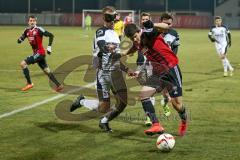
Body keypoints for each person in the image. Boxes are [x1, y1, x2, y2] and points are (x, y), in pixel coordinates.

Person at [70, 6, 131, 132]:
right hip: (104, 74)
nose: (112, 22)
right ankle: (81, 102)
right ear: (105, 19)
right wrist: (108, 48)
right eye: (110, 19)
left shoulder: (114, 34)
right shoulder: (101, 32)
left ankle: (104, 121)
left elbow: (115, 57)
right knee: (104, 107)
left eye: (113, 19)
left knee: (123, 102)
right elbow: (102, 46)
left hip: (116, 72)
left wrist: (126, 69)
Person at [124, 22, 187, 136]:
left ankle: (183, 119)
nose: (135, 40)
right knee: (144, 95)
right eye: (132, 38)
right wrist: (125, 53)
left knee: (176, 104)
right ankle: (156, 125)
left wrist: (153, 24)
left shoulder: (148, 34)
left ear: (139, 31)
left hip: (171, 69)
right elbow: (135, 47)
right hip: (158, 72)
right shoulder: (137, 42)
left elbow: (166, 27)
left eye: (135, 37)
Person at [17, 15, 63, 92]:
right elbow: (21, 39)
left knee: (23, 64)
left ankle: (29, 83)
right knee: (47, 71)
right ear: (28, 22)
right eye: (30, 21)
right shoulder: (26, 31)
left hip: (40, 53)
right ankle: (59, 85)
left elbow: (51, 35)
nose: (32, 22)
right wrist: (20, 39)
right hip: (37, 54)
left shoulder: (39, 29)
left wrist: (49, 47)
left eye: (33, 21)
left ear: (36, 22)